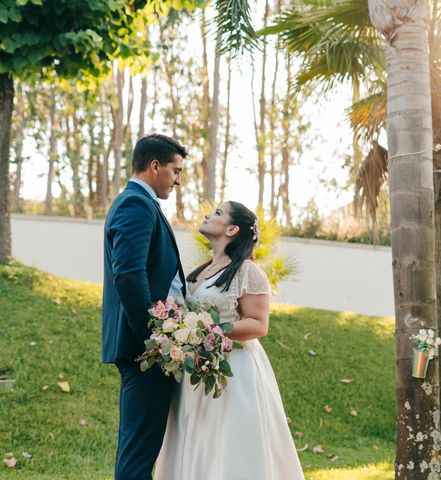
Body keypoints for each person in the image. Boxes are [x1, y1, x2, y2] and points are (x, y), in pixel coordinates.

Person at [154, 201, 304, 479]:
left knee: (227, 446)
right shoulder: (200, 271)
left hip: (234, 372)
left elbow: (259, 324)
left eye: (218, 213)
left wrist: (209, 329)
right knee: (196, 441)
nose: (208, 214)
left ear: (232, 229)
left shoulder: (248, 272)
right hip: (196, 369)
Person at [102, 133, 188, 480]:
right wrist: (155, 338)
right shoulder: (136, 204)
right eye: (175, 170)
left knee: (140, 448)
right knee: (138, 453)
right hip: (145, 350)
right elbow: (128, 274)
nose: (178, 180)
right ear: (155, 166)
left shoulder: (139, 202)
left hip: (147, 347)